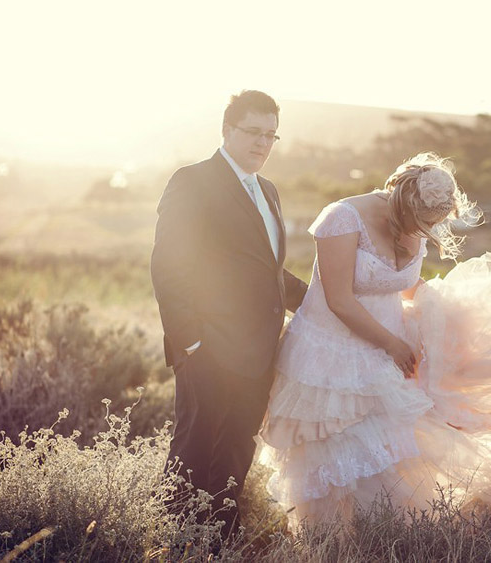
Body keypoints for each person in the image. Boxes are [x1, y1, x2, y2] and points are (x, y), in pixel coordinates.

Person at [255, 153, 491, 526]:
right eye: (424, 222)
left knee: (390, 451)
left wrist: (453, 320)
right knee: (338, 453)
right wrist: (391, 344)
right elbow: (339, 300)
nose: (427, 231)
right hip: (332, 357)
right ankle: (332, 539)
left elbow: (401, 285)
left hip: (387, 352)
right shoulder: (341, 218)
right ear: (405, 204)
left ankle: (381, 535)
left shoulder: (413, 224)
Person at [150, 90, 307, 539]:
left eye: (271, 135)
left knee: (237, 451)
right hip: (208, 349)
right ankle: (175, 539)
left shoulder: (268, 190)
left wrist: (324, 302)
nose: (263, 143)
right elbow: (169, 265)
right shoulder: (192, 181)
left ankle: (221, 536)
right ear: (226, 129)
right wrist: (192, 342)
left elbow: (268, 271)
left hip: (259, 353)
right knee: (194, 451)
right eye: (254, 132)